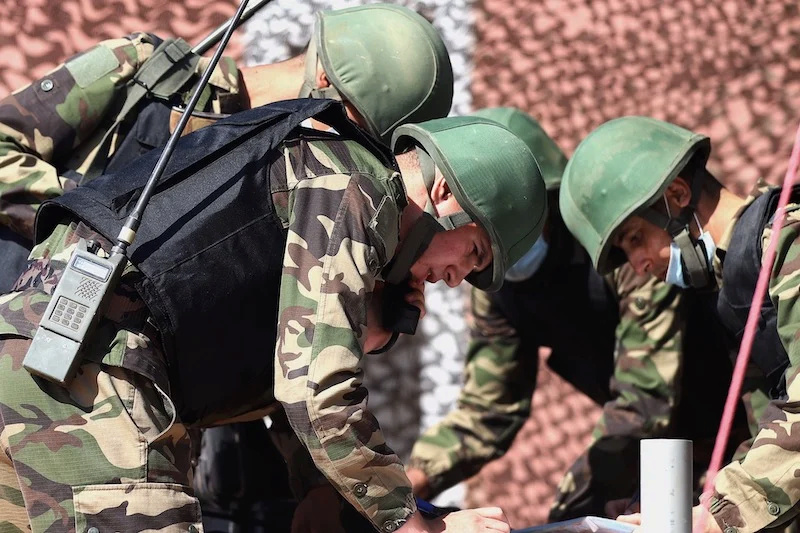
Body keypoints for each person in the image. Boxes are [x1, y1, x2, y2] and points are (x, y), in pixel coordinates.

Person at [0, 90, 547, 533]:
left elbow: (283, 368)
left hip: (34, 359)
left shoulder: (310, 151)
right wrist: (415, 525)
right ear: (446, 192)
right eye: (472, 253)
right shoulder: (355, 187)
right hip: (97, 387)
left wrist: (317, 489)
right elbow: (317, 387)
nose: (456, 279)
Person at [404, 108, 749, 521]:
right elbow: (489, 407)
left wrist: (573, 509)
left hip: (741, 424)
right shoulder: (494, 285)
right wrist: (410, 485)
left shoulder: (622, 253)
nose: (504, 246)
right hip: (662, 453)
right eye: (488, 232)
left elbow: (644, 399)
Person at [0, 2, 454, 293]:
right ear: (323, 83)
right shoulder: (142, 73)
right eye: (351, 130)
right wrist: (94, 217)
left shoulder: (288, 186)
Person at [559, 115, 798, 533]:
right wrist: (695, 501)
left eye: (635, 238)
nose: (639, 265)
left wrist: (720, 515)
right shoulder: (735, 282)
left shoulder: (785, 243)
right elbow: (770, 426)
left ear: (677, 193)